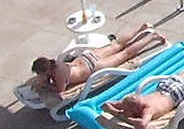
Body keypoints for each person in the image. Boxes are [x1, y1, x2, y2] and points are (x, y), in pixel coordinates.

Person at [28, 25, 164, 98]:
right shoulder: (55, 63)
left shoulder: (58, 75)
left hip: (93, 66)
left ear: (45, 71)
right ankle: (141, 28)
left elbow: (60, 91)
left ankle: (152, 37)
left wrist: (44, 85)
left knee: (126, 53)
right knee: (117, 45)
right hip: (87, 57)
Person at [105, 62, 184, 129]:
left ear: (136, 109)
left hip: (176, 93)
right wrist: (116, 111)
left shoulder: (147, 109)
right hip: (165, 87)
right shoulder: (131, 103)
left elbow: (142, 125)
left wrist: (124, 117)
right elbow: (105, 104)